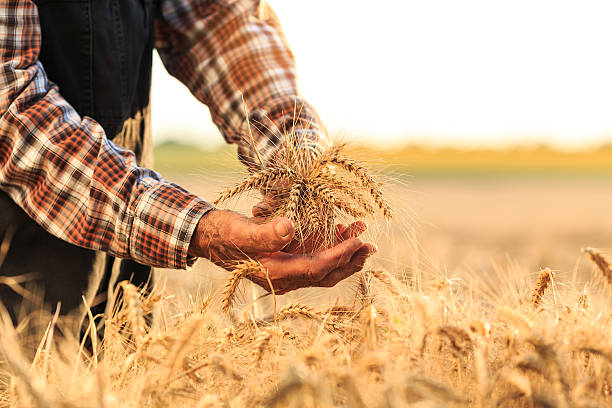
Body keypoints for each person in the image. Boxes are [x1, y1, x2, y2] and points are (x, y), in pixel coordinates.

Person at [0, 0, 376, 320]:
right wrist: (198, 229)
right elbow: (10, 108)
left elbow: (217, 20)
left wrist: (293, 156)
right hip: (14, 266)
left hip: (125, 280)